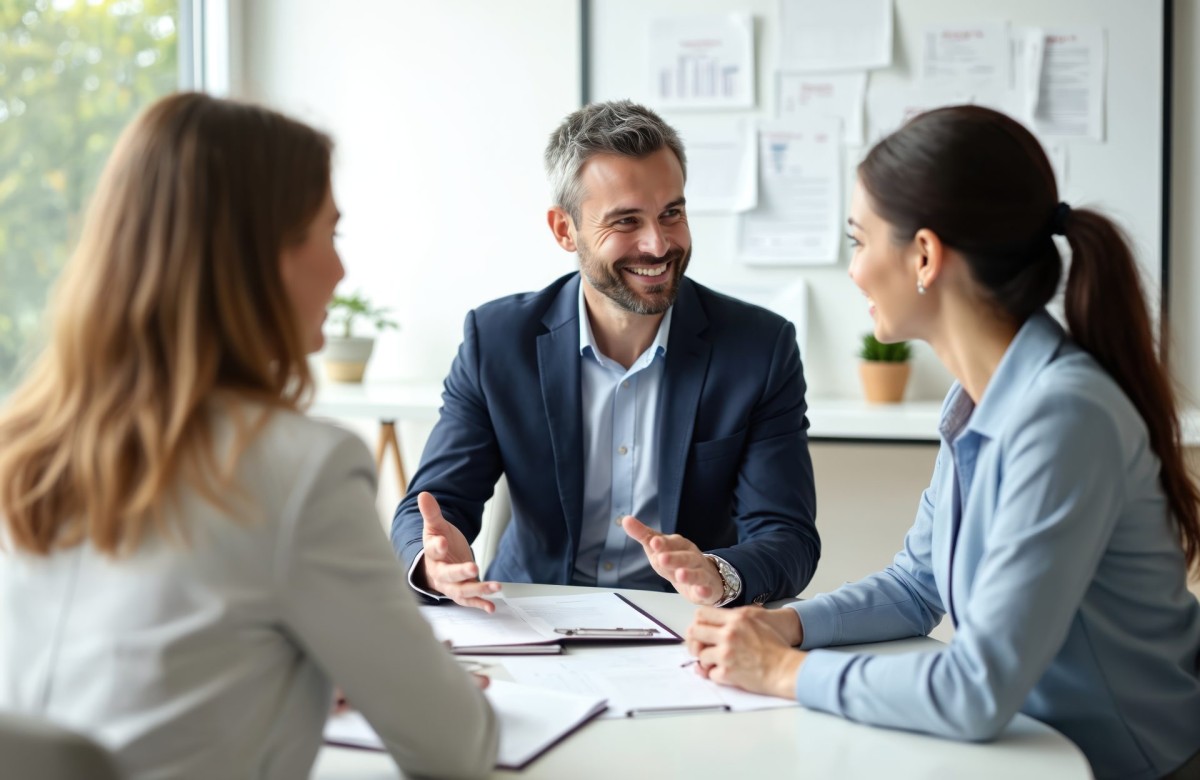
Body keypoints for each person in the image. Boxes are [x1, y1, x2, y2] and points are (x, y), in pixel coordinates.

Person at [684, 105, 1200, 779]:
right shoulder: (977, 396)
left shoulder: (1064, 417)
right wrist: (790, 627)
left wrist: (784, 672)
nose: (854, 270)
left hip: (1128, 763)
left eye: (859, 241)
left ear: (924, 255)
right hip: (1029, 749)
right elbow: (915, 585)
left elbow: (975, 691)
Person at [0, 93, 497, 780]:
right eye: (331, 234)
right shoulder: (300, 469)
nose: (341, 271)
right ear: (259, 256)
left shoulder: (22, 446)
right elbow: (458, 752)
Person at [391, 100, 819, 611]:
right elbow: (435, 505)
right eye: (626, 221)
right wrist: (433, 559)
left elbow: (786, 535)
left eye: (671, 214)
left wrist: (719, 573)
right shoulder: (497, 340)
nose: (658, 244)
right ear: (563, 229)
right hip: (533, 611)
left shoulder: (758, 348)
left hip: (682, 623)